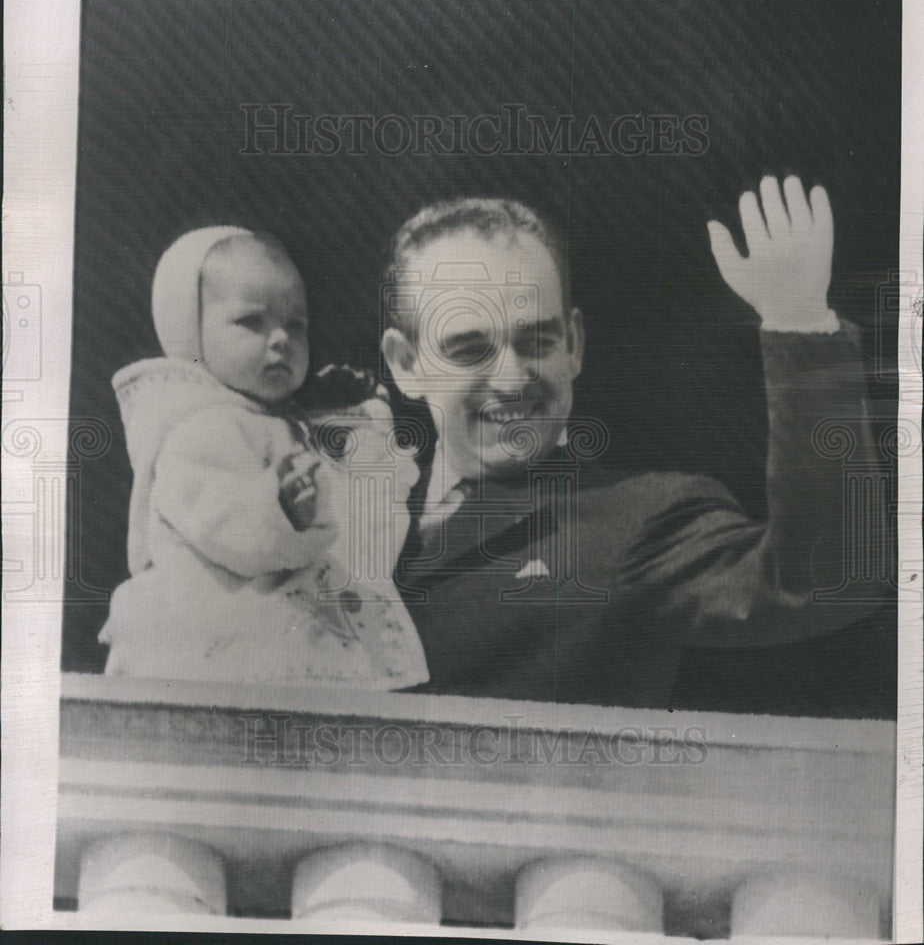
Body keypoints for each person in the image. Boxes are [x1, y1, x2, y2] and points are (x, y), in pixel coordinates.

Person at [381, 178, 885, 706]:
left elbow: (829, 586)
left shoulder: (641, 520)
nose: (511, 379)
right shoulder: (339, 505)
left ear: (573, 346)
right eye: (469, 349)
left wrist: (800, 324)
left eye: (537, 341)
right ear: (405, 364)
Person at [99, 226, 427, 688]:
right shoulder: (196, 430)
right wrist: (279, 508)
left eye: (296, 325)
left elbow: (362, 519)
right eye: (251, 321)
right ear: (188, 330)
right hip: (223, 645)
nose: (280, 340)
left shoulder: (278, 420)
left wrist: (357, 422)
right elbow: (222, 519)